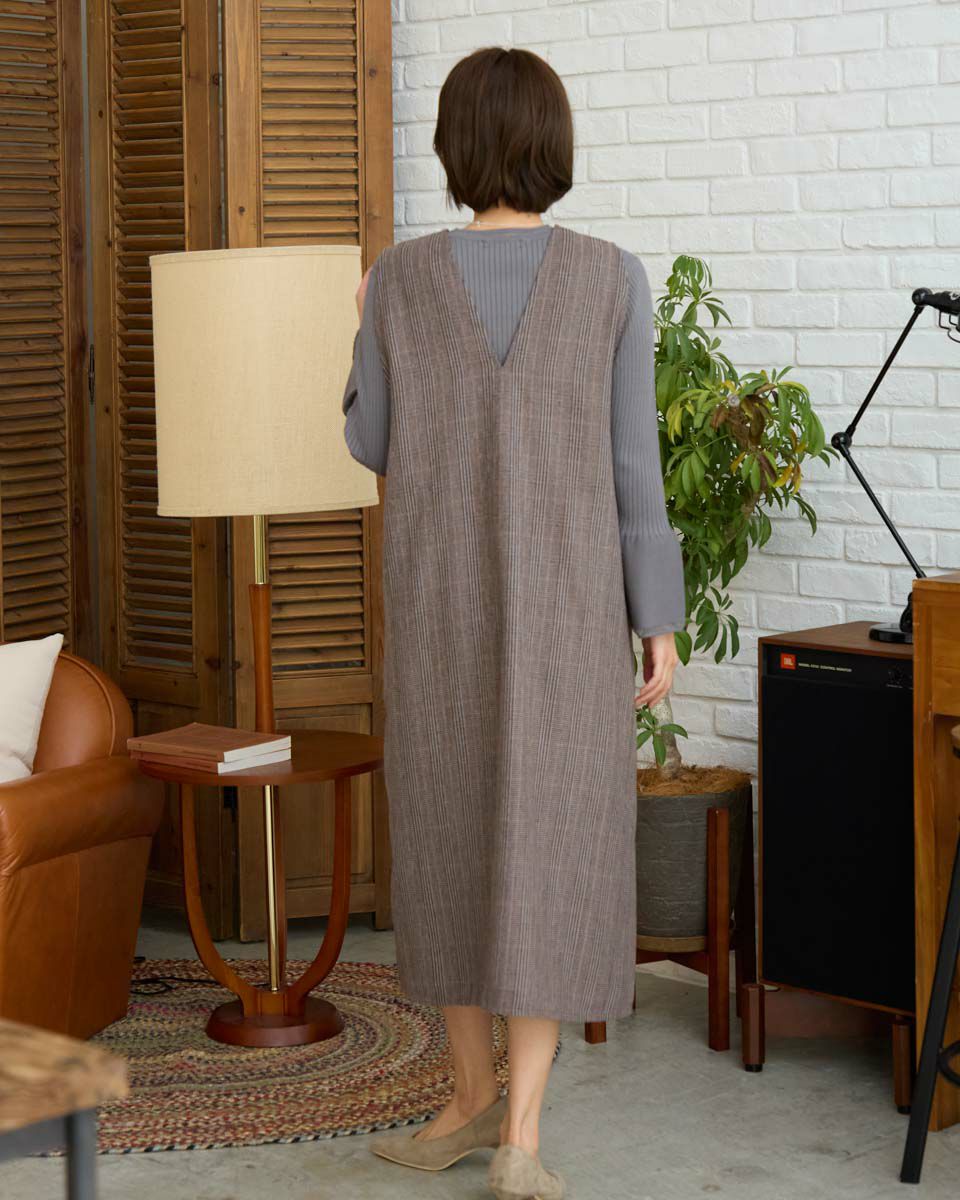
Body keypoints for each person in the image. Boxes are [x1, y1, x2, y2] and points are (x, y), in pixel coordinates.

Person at [340, 45, 684, 1200]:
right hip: (571, 614)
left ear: (454, 146)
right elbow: (636, 466)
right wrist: (659, 619)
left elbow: (371, 442)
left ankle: (487, 1105)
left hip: (439, 606)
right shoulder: (614, 278)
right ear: (552, 141)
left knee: (452, 841)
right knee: (540, 845)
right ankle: (505, 1123)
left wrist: (362, 329)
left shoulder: (398, 279)